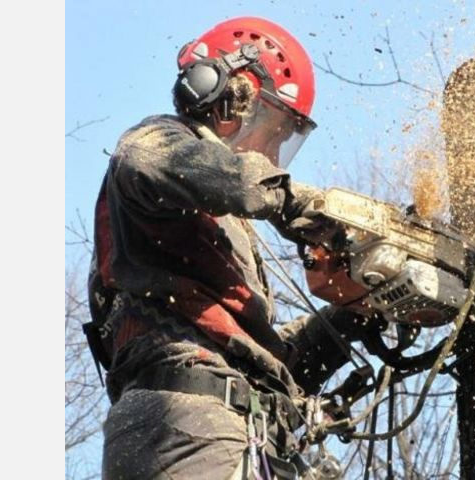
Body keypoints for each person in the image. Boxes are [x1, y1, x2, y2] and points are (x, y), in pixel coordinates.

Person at [84, 16, 365, 479]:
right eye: (272, 131)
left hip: (233, 427)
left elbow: (263, 359)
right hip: (181, 423)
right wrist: (304, 208)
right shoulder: (158, 144)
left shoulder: (216, 225)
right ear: (230, 95)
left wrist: (353, 312)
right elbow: (147, 161)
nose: (270, 155)